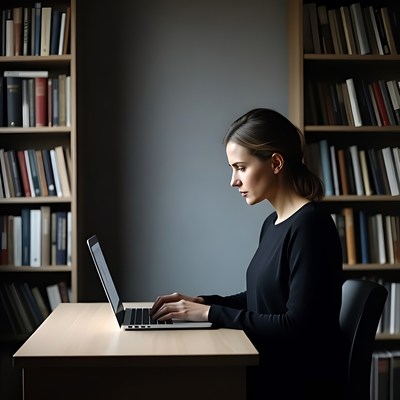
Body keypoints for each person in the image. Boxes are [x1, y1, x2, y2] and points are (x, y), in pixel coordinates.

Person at [150, 108, 345, 400]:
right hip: (269, 366)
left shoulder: (311, 226)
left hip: (293, 382)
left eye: (241, 167)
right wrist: (201, 303)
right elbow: (263, 299)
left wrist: (210, 314)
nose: (233, 180)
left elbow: (297, 326)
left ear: (276, 162)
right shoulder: (273, 223)